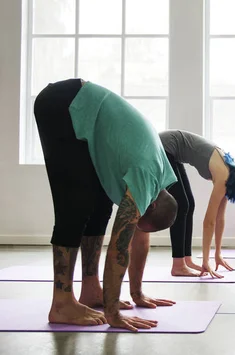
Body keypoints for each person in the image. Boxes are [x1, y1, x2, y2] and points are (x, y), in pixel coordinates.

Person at [34, 78, 179, 332]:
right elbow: (119, 247)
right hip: (63, 104)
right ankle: (61, 303)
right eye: (139, 222)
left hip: (80, 109)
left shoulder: (159, 180)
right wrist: (113, 314)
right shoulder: (146, 176)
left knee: (101, 206)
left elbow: (137, 238)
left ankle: (91, 289)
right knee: (74, 204)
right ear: (152, 207)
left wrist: (137, 293)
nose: (136, 228)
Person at [159, 130, 235, 278]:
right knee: (182, 204)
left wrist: (217, 254)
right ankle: (178, 266)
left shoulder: (232, 177)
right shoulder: (224, 176)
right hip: (164, 146)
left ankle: (186, 260)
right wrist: (205, 261)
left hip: (174, 152)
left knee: (189, 204)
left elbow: (219, 218)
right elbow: (209, 222)